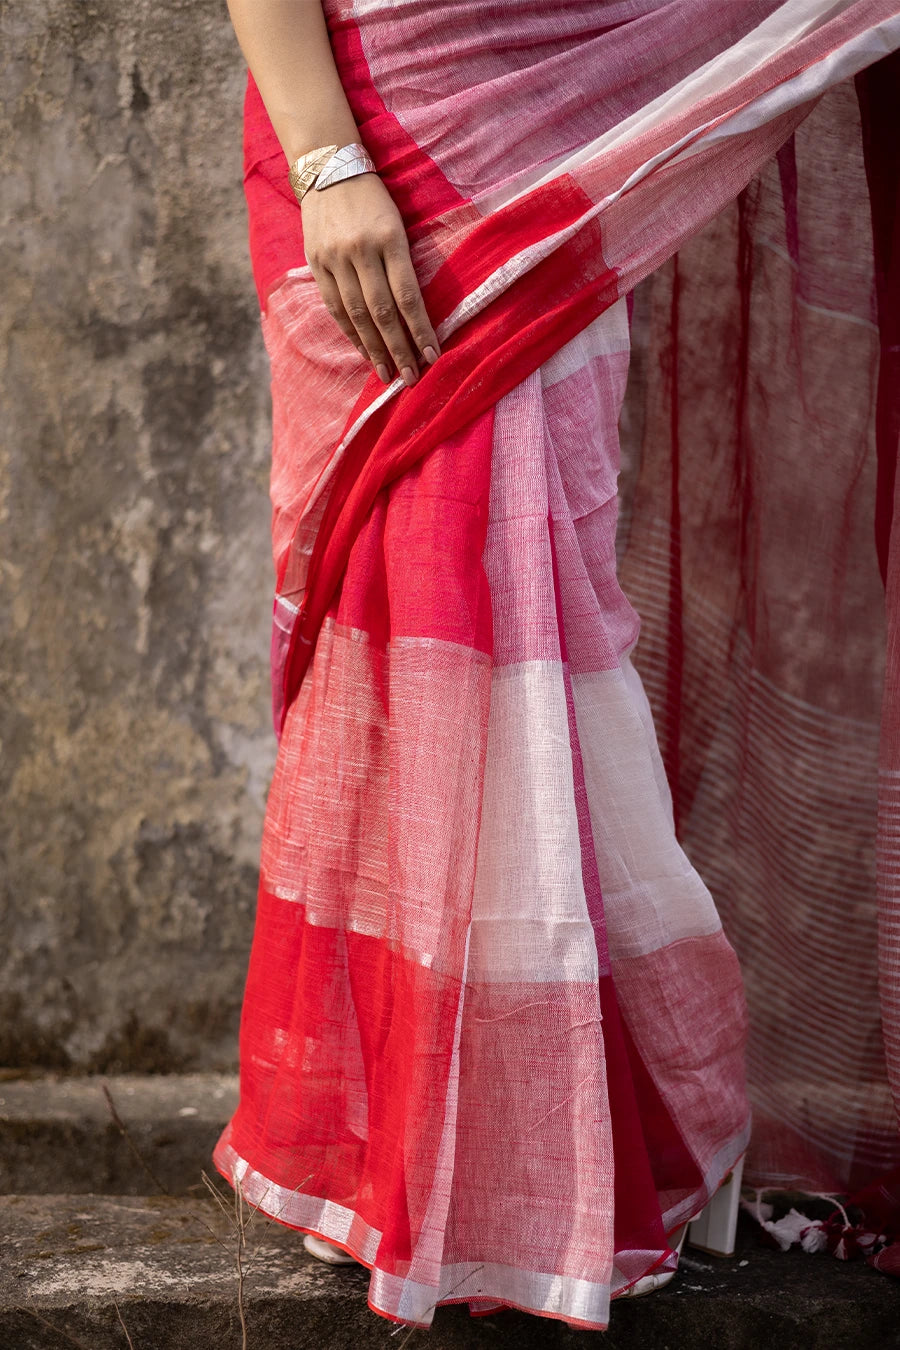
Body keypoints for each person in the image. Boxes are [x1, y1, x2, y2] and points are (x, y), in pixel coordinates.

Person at [214, 0, 900, 1330]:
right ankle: (406, 1154)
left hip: (561, 113)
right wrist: (330, 161)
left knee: (535, 618)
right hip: (379, 132)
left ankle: (551, 1153)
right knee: (407, 606)